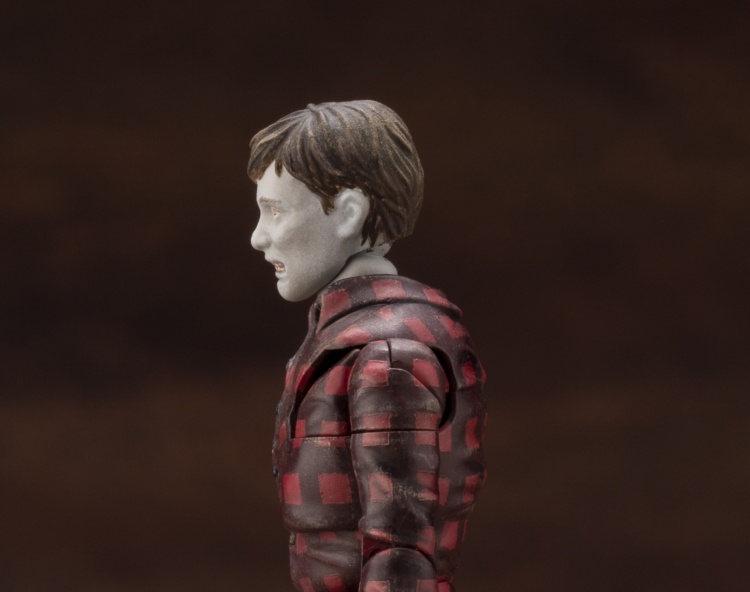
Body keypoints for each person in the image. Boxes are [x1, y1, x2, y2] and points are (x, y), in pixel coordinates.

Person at [248, 100, 486, 592]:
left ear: (348, 214)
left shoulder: (388, 355)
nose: (258, 237)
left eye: (275, 211)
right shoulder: (349, 339)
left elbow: (400, 547)